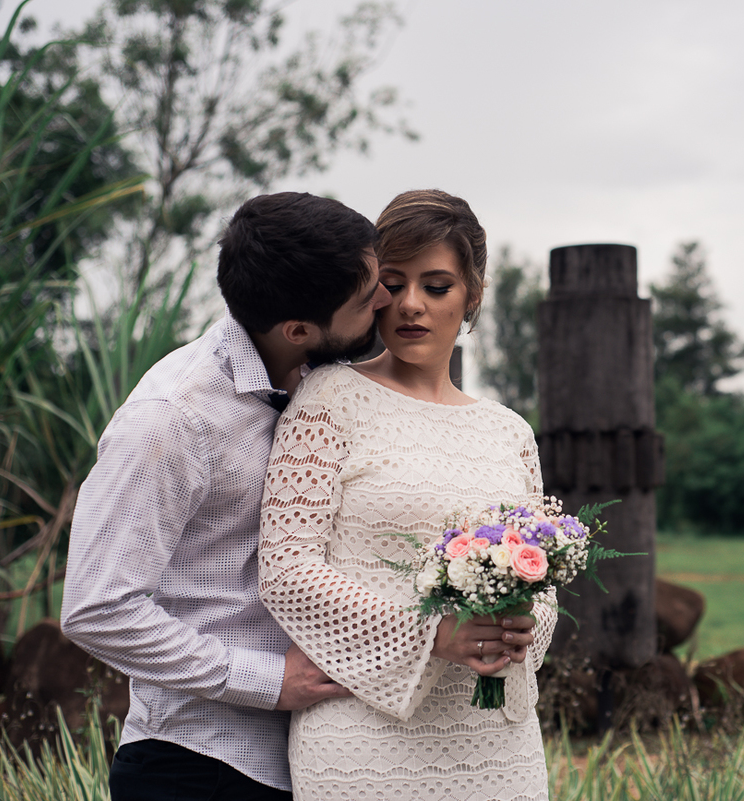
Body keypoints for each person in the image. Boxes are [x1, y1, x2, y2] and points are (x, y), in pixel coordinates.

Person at [61, 192, 396, 801]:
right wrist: (266, 680)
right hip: (196, 766)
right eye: (365, 295)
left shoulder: (324, 385)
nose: (386, 299)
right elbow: (96, 607)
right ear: (297, 329)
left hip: (317, 761)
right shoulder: (172, 418)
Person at [259, 189, 555, 800]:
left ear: (472, 294)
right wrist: (431, 636)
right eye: (393, 284)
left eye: (437, 286)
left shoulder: (510, 432)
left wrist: (530, 623)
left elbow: (541, 574)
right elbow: (286, 567)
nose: (411, 305)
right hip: (363, 732)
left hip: (494, 740)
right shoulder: (329, 400)